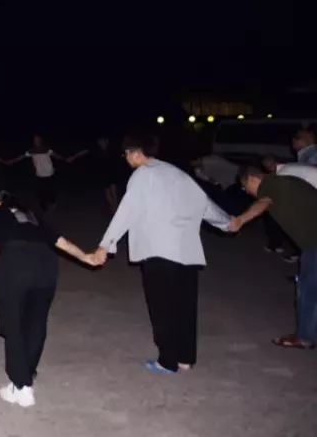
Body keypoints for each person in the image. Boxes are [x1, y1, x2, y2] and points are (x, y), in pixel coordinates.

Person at [0, 191, 101, 407]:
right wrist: (86, 257)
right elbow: (61, 242)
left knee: (13, 324)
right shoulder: (30, 215)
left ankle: (21, 385)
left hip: (15, 265)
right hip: (46, 266)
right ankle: (26, 375)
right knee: (36, 323)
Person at [93, 133, 234, 373]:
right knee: (185, 307)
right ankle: (185, 358)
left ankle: (167, 361)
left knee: (162, 308)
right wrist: (227, 222)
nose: (126, 158)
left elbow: (127, 211)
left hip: (158, 251)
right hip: (187, 253)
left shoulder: (142, 174)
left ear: (136, 153)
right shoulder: (178, 173)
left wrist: (106, 244)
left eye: (127, 153)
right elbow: (203, 203)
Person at [234, 167, 317, 349]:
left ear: (252, 178)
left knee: (308, 292)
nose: (246, 191)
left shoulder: (272, 185)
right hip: (312, 243)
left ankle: (305, 336)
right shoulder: (286, 182)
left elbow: (263, 203)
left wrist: (240, 220)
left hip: (314, 243)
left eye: (245, 186)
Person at [6, 135, 70, 211]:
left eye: (38, 140)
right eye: (35, 140)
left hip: (49, 173)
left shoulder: (46, 149)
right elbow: (21, 157)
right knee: (40, 191)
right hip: (39, 174)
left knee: (50, 189)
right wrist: (12, 161)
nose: (37, 141)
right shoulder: (31, 151)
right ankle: (43, 206)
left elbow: (56, 156)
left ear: (41, 140)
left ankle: (52, 202)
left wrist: (65, 159)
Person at [68, 137, 127, 210]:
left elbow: (120, 153)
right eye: (101, 141)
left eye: (104, 140)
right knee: (109, 192)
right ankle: (114, 208)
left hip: (110, 172)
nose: (103, 142)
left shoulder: (109, 149)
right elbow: (85, 151)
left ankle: (115, 207)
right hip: (105, 173)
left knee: (112, 192)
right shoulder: (98, 149)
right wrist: (74, 157)